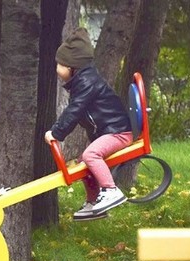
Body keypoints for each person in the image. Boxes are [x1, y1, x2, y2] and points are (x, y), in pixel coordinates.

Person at [44, 27, 133, 221]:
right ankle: (93, 201)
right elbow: (77, 112)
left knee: (90, 155)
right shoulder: (83, 82)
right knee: (83, 163)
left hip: (118, 132)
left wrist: (56, 133)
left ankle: (110, 190)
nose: (57, 69)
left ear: (71, 67)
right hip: (109, 131)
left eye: (59, 64)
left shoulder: (87, 83)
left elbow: (74, 111)